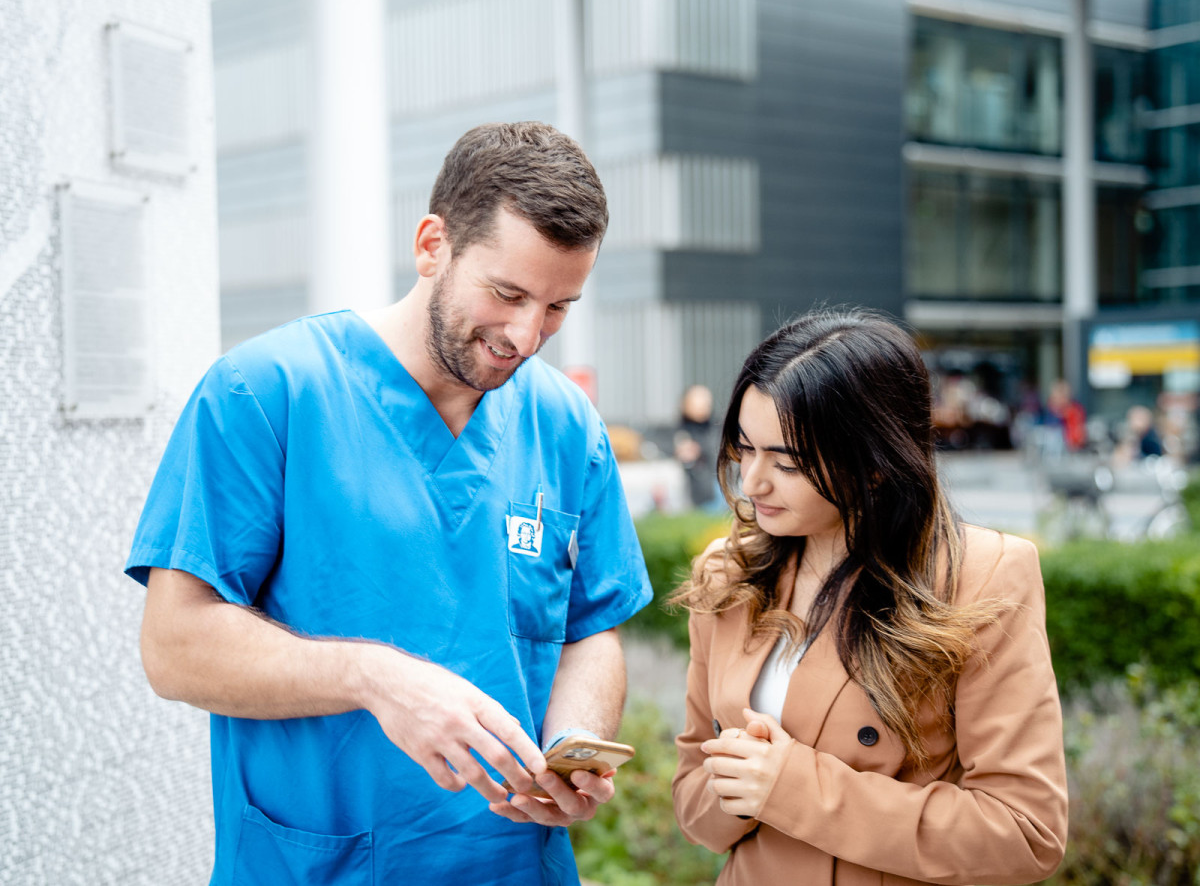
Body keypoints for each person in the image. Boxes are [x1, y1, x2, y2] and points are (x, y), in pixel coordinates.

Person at [126, 122, 653, 886]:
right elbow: (172, 648)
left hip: (514, 867)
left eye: (558, 308)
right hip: (318, 865)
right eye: (506, 293)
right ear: (433, 244)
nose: (526, 335)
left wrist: (575, 742)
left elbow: (588, 631)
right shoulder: (265, 394)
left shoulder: (566, 426)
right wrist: (374, 678)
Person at [671, 309, 1068, 885]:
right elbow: (694, 810)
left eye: (786, 462)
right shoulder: (729, 573)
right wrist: (735, 786)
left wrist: (792, 788)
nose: (752, 482)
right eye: (743, 448)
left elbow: (1025, 832)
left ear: (875, 463)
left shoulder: (982, 577)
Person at [674, 384, 721, 510]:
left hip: (717, 489)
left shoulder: (716, 428)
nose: (704, 406)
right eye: (699, 402)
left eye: (706, 402)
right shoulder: (679, 431)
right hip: (693, 494)